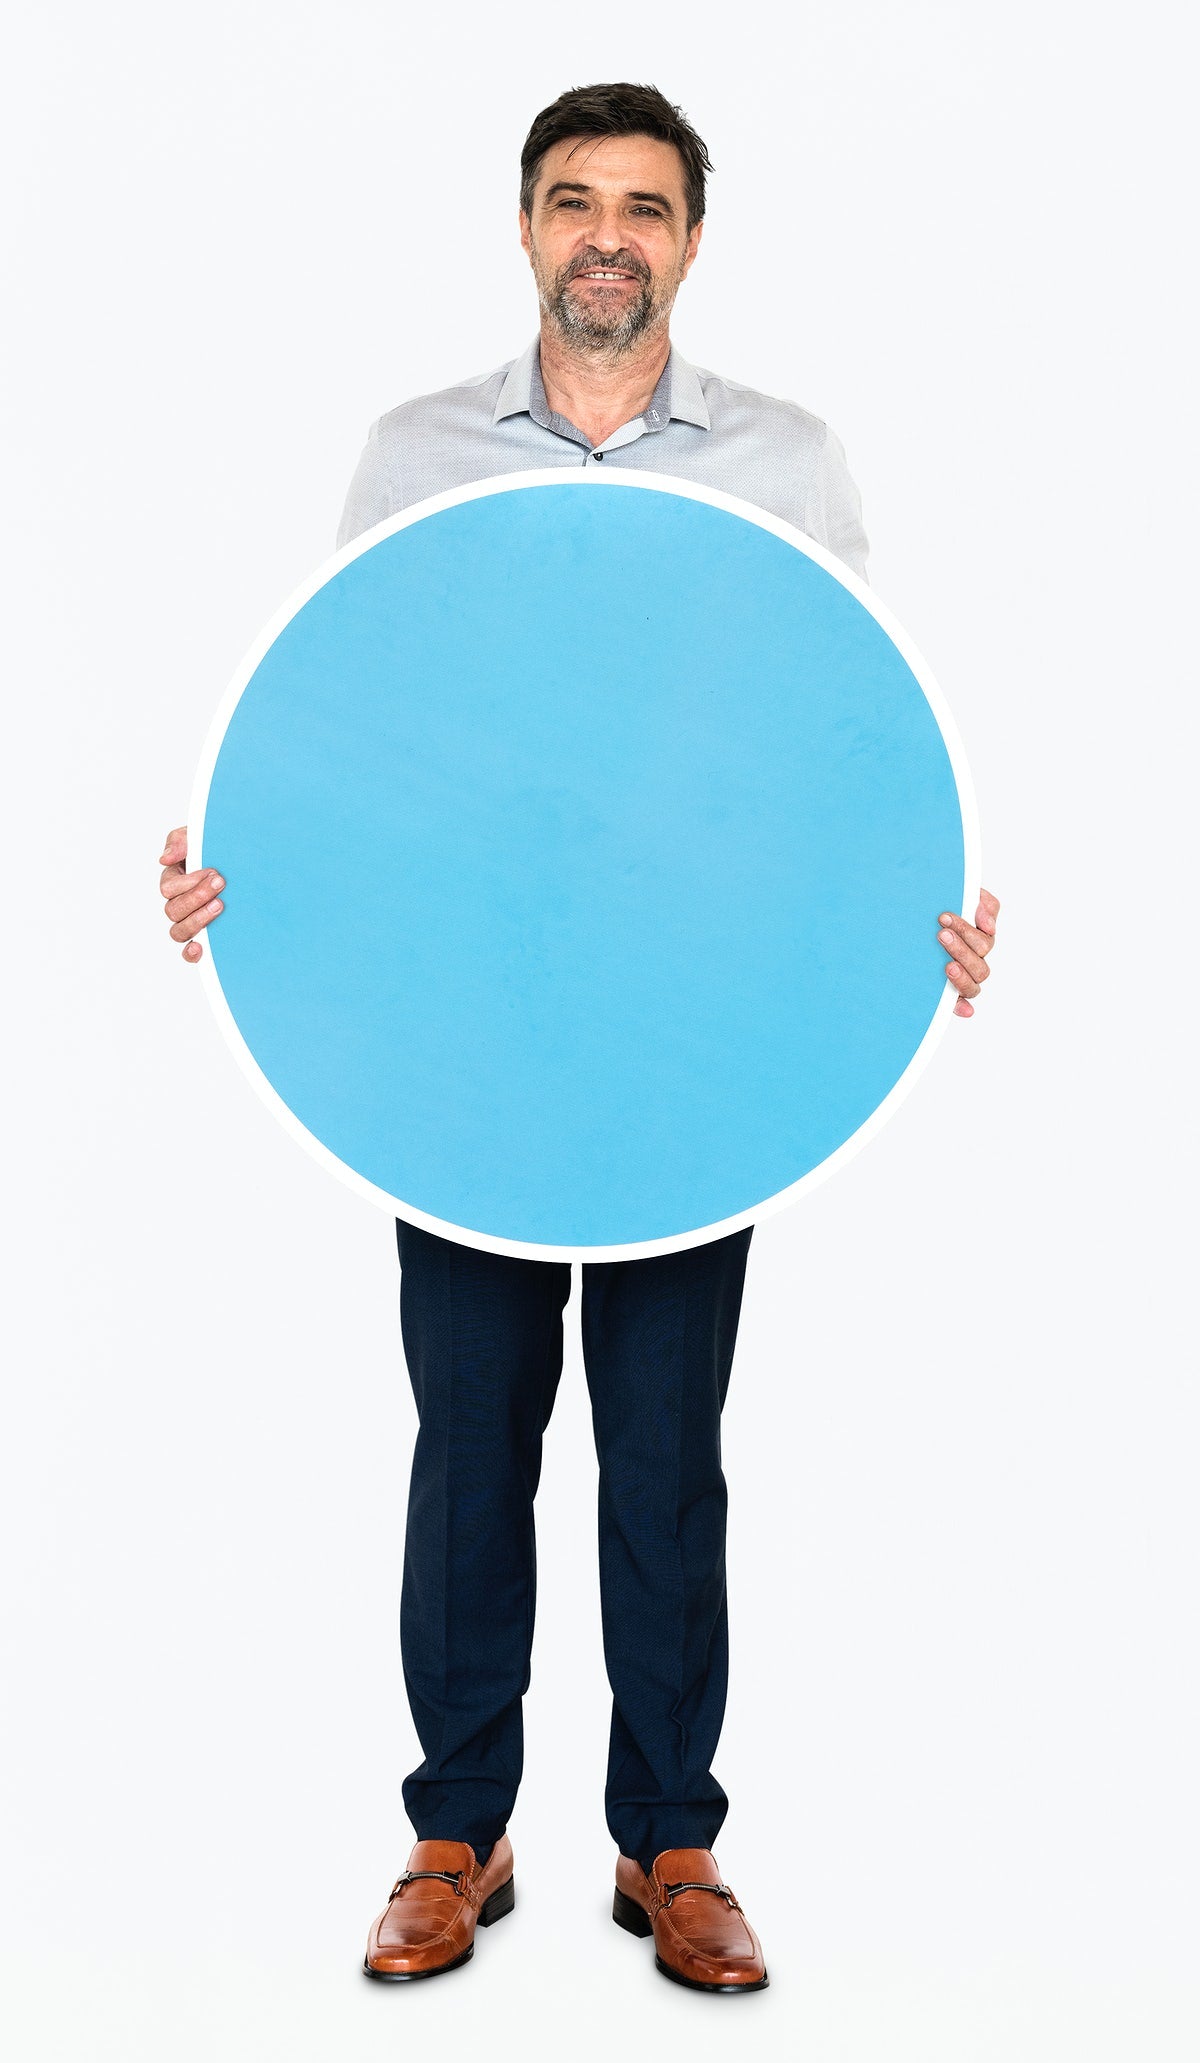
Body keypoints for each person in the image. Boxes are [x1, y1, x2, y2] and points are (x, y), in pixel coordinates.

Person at [158, 82, 1000, 1994]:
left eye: (642, 204)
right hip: (461, 1051)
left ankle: (672, 1839)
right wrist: (243, 873)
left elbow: (838, 755)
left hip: (692, 1056)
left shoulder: (788, 463)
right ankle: (456, 1830)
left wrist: (920, 918)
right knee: (468, 1450)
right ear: (524, 228)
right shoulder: (414, 453)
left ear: (693, 240)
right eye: (572, 201)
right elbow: (354, 738)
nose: (605, 232)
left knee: (666, 1455)